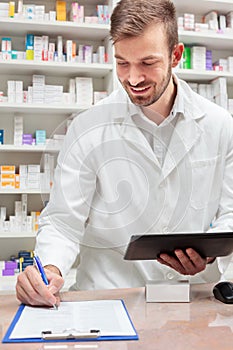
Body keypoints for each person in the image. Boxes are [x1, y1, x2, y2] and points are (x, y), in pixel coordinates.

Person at [16, 0, 233, 307]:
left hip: (191, 297)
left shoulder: (220, 124)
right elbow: (64, 220)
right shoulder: (87, 127)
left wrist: (208, 254)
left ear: (176, 56)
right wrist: (49, 269)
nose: (133, 78)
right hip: (108, 297)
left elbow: (230, 213)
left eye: (147, 63)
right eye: (122, 63)